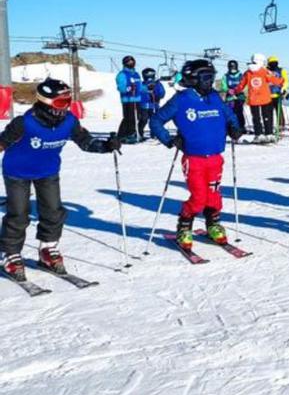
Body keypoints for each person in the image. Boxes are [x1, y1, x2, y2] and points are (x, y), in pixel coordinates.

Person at [1, 79, 120, 280]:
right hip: (17, 172)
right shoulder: (24, 123)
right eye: (60, 103)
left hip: (48, 171)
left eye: (67, 101)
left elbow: (86, 141)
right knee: (19, 214)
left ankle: (48, 249)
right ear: (45, 102)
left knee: (53, 211)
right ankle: (10, 254)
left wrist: (106, 146)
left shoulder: (70, 121)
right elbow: (2, 142)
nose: (65, 107)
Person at [150, 60, 243, 251]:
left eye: (212, 77)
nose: (211, 82)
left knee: (214, 195)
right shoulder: (181, 99)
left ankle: (213, 224)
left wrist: (235, 127)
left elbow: (230, 115)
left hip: (216, 157)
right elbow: (156, 121)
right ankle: (184, 227)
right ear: (193, 80)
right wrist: (169, 140)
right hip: (194, 159)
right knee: (199, 196)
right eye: (207, 78)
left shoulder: (215, 97)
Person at [236, 54, 284, 143]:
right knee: (266, 116)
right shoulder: (264, 71)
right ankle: (268, 134)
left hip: (253, 98)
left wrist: (236, 91)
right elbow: (273, 80)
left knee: (256, 117)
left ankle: (258, 134)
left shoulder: (248, 72)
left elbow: (241, 84)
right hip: (265, 97)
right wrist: (281, 81)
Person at [116, 55, 142, 144]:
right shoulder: (122, 74)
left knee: (136, 117)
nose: (131, 63)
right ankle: (123, 135)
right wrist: (129, 88)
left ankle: (131, 133)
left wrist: (148, 88)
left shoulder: (136, 74)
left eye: (132, 61)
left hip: (137, 99)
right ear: (125, 63)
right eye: (128, 62)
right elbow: (121, 88)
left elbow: (140, 86)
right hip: (128, 100)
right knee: (129, 118)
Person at [138, 67, 166, 141]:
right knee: (144, 119)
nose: (149, 78)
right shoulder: (142, 85)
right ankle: (139, 133)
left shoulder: (157, 84)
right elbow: (139, 95)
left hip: (154, 105)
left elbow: (162, 93)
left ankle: (154, 134)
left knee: (154, 120)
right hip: (144, 106)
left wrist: (157, 94)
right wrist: (147, 92)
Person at [221, 59, 247, 132]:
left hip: (239, 96)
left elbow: (244, 85)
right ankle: (232, 126)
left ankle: (241, 126)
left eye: (233, 67)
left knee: (239, 111)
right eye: (231, 67)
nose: (232, 69)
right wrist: (227, 89)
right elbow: (223, 85)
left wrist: (238, 90)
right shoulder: (226, 76)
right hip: (230, 96)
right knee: (230, 111)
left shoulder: (241, 75)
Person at [267, 56, 289, 133]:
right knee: (268, 113)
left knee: (279, 112)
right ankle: (269, 127)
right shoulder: (265, 71)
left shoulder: (281, 70)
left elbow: (286, 81)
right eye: (271, 63)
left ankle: (281, 126)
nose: (273, 64)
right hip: (267, 95)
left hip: (278, 94)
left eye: (275, 63)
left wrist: (284, 89)